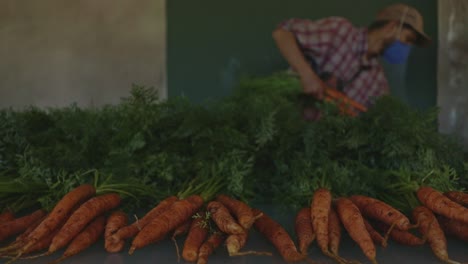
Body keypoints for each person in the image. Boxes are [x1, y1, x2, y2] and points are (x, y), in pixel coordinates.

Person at [272, 3, 431, 109]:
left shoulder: (377, 82)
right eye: (408, 39)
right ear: (392, 26)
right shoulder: (340, 32)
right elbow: (282, 33)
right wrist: (307, 75)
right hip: (286, 116)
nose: (407, 47)